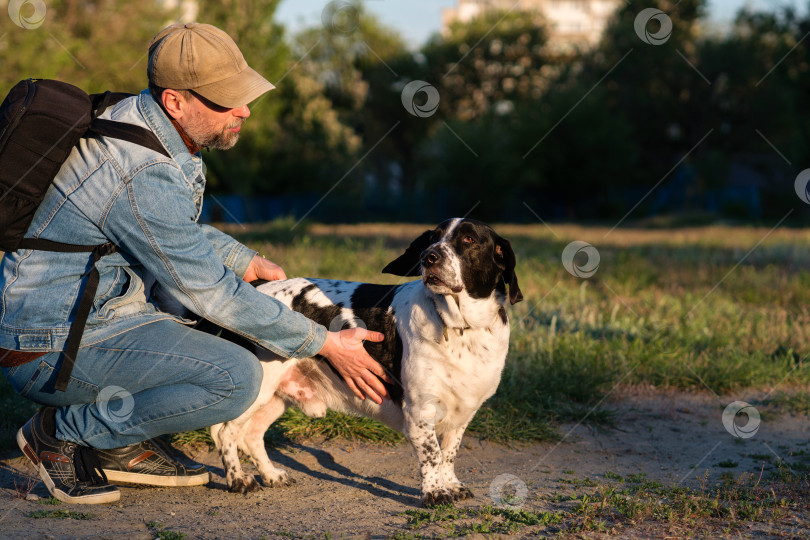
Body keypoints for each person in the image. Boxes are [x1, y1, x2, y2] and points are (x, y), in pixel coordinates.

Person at [0, 22, 390, 505]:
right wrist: (325, 343)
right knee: (236, 377)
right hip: (51, 348)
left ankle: (121, 438)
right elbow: (208, 291)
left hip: (99, 317)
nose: (244, 110)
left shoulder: (147, 128)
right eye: (226, 100)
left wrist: (243, 258)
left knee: (224, 340)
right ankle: (61, 434)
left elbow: (160, 230)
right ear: (176, 102)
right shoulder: (140, 166)